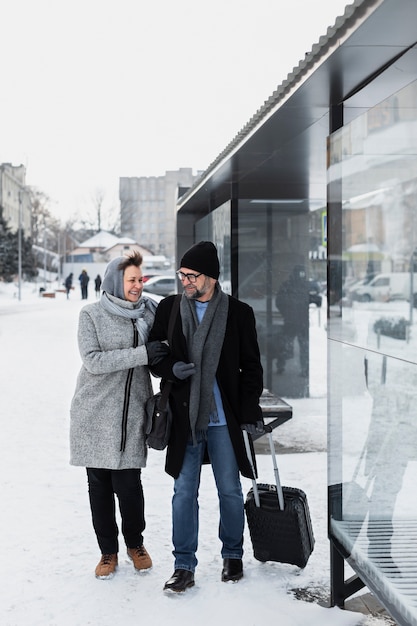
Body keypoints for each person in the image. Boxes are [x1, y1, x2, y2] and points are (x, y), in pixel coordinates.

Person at [148, 241, 264, 593]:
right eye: (181, 274)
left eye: (192, 275)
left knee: (229, 490)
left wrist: (247, 413)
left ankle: (233, 554)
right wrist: (172, 368)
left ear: (211, 277)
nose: (185, 281)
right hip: (185, 417)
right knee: (184, 491)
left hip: (223, 418)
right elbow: (154, 354)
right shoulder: (169, 309)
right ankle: (183, 565)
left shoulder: (238, 313)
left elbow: (252, 370)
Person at [69, 251, 170, 580]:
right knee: (98, 487)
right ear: (115, 280)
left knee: (129, 487)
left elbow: (162, 353)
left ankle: (135, 544)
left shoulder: (148, 315)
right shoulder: (91, 315)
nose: (138, 286)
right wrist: (142, 353)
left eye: (141, 280)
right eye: (132, 280)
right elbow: (94, 360)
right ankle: (107, 552)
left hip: (130, 418)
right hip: (95, 414)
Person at [275, 265, 309, 377]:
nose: (301, 276)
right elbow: (279, 301)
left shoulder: (302, 285)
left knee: (301, 346)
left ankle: (302, 369)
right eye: (300, 273)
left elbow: (279, 301)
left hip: (299, 320)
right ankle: (281, 366)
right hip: (294, 320)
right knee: (287, 344)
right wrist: (287, 313)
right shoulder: (290, 286)